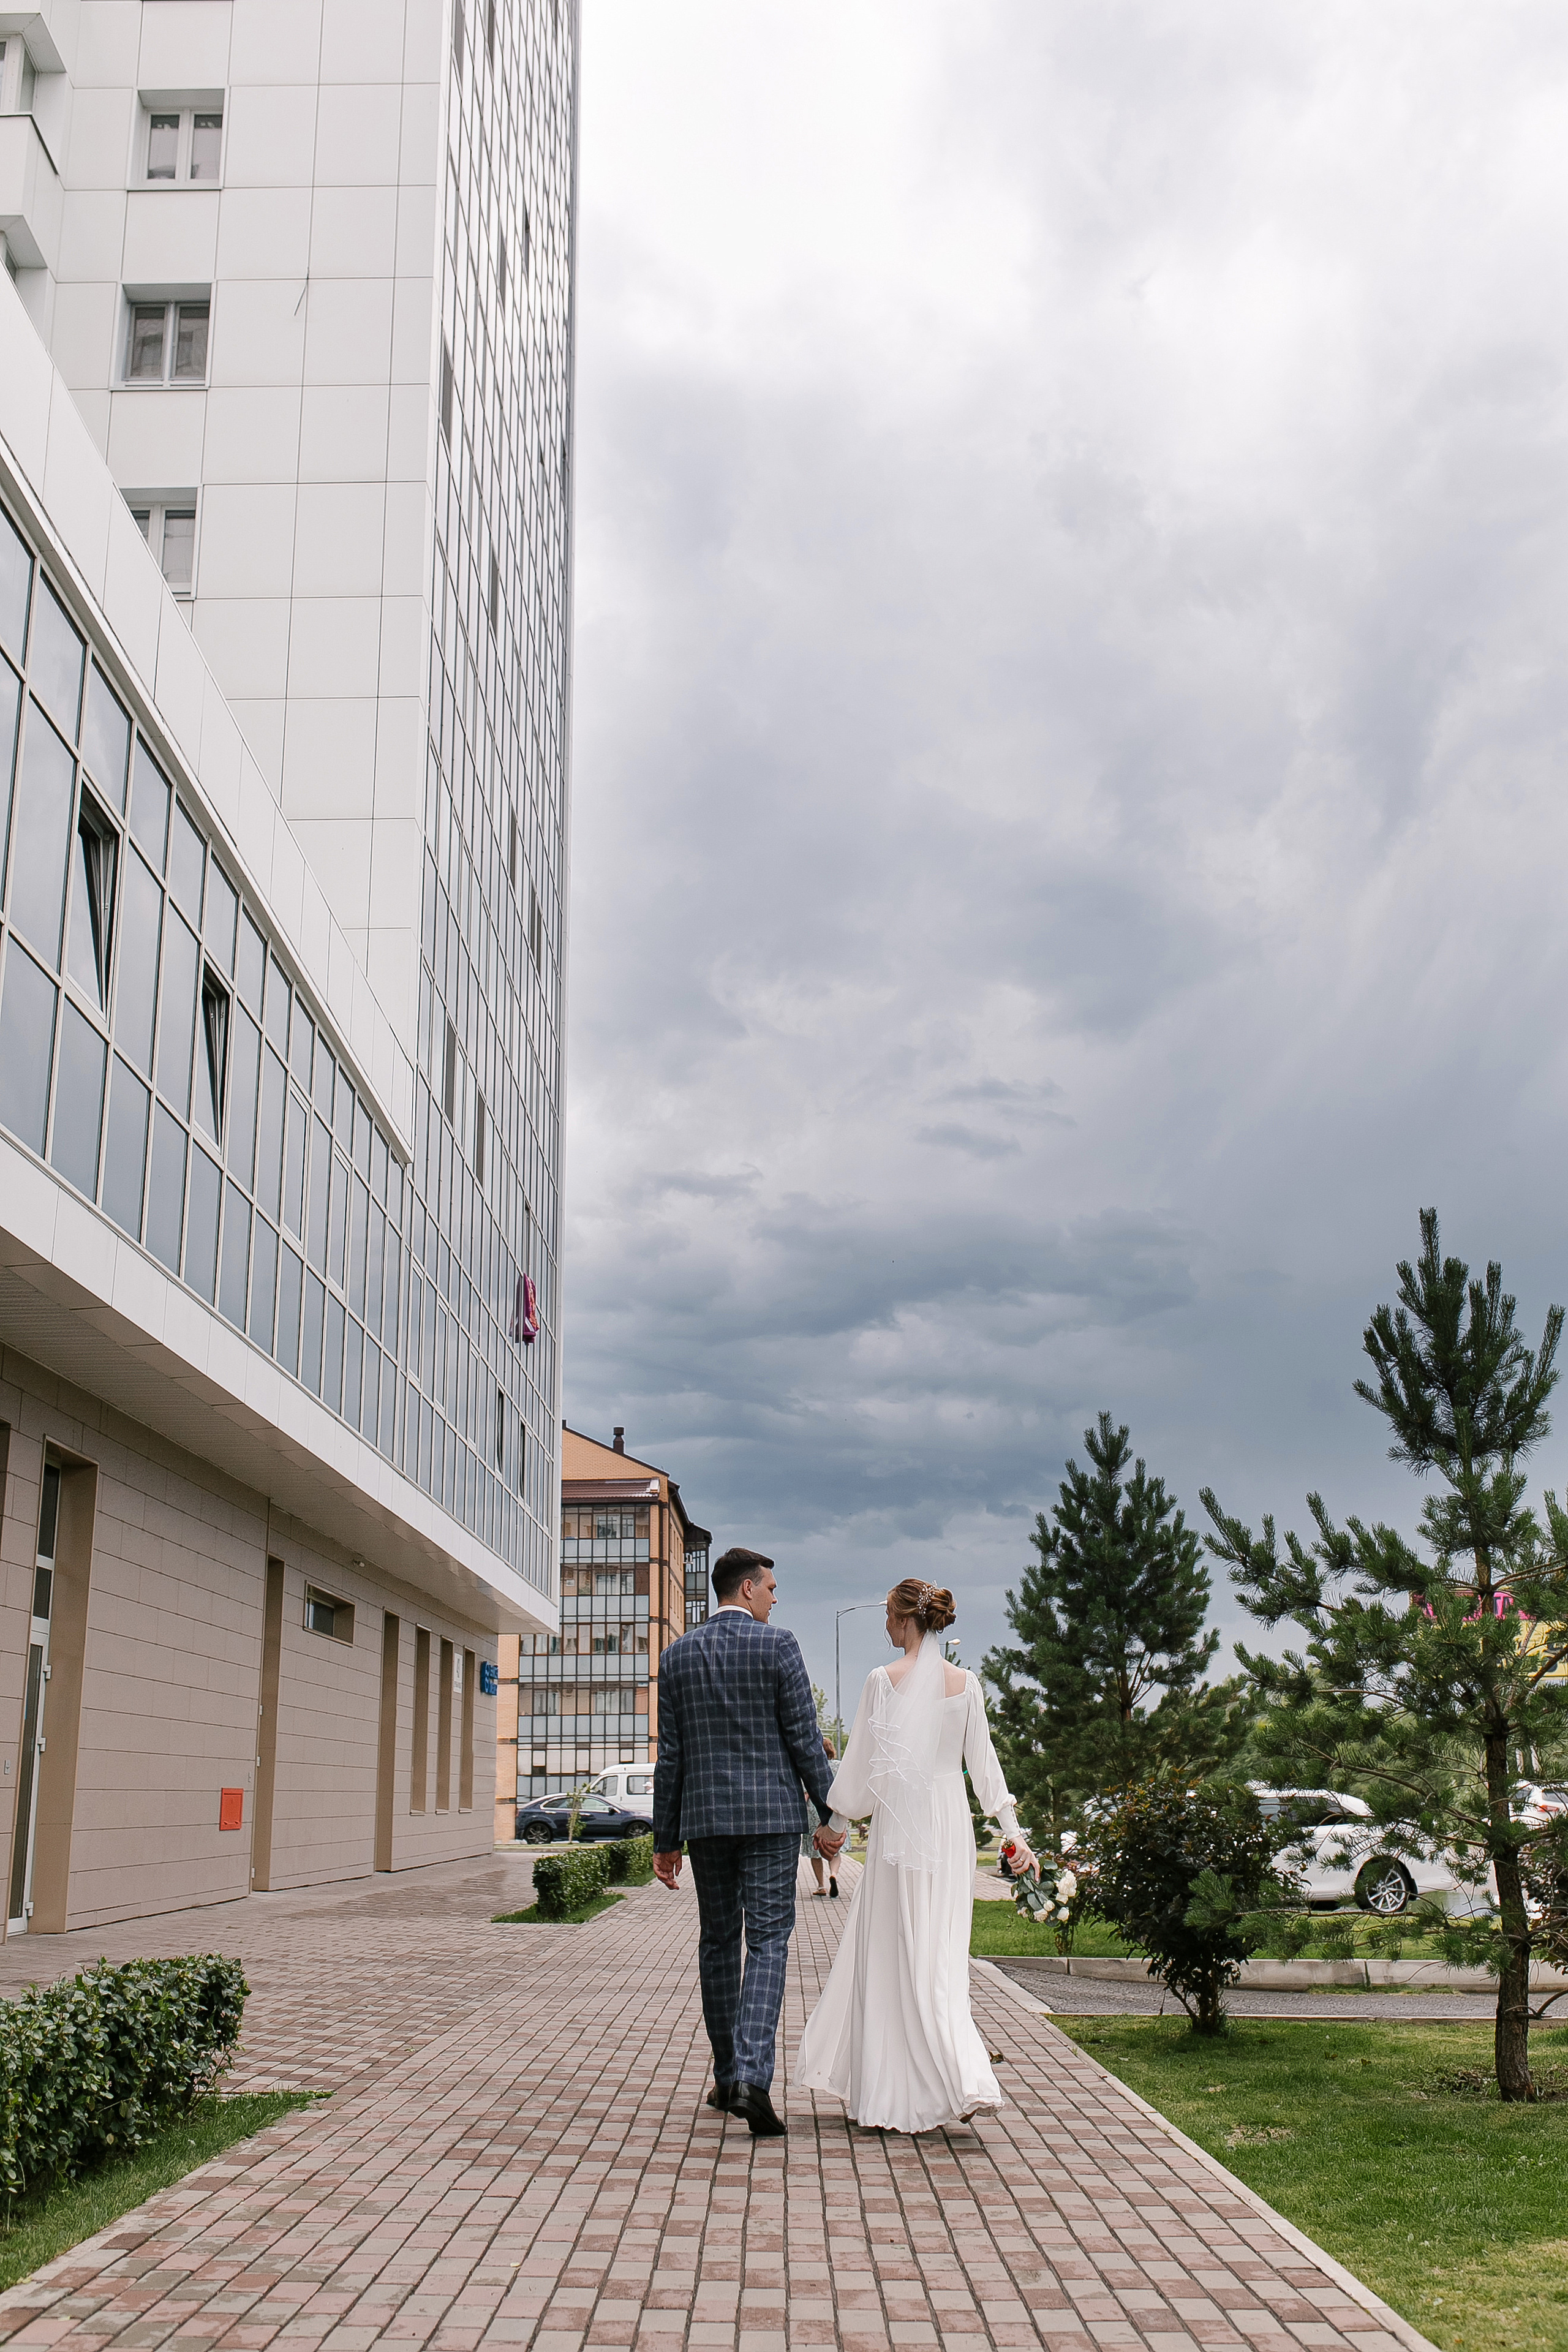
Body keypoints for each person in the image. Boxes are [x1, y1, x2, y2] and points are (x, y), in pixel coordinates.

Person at [793, 1578, 1035, 2134]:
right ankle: (954, 2073)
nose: (883, 1624)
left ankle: (946, 2077)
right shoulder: (967, 1684)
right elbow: (986, 1767)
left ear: (905, 1620)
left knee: (895, 1953)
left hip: (903, 1828)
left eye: (886, 1614)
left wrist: (834, 1825)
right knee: (940, 1955)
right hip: (948, 1825)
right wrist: (1013, 1832)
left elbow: (862, 1768)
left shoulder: (883, 1682)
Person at [653, 1546, 844, 2137]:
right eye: (770, 1588)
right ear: (746, 1589)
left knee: (717, 1942)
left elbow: (672, 1757)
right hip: (770, 1821)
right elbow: (804, 1738)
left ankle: (727, 2072)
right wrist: (831, 1811)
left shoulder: (677, 1655)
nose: (775, 1597)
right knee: (767, 1940)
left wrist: (666, 1840)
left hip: (706, 1821)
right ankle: (752, 2080)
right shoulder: (778, 1646)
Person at [804, 1735, 839, 1896]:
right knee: (834, 1847)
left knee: (815, 1848)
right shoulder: (839, 1766)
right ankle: (834, 1875)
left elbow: (806, 1793)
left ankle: (821, 1886)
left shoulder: (811, 1767)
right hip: (835, 1809)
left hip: (814, 1810)